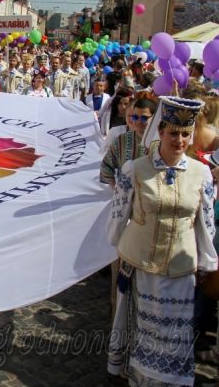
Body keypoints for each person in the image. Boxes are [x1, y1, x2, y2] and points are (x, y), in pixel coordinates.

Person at [107, 96, 217, 386]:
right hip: (141, 265)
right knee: (143, 329)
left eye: (185, 134)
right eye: (173, 133)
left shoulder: (201, 173)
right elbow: (119, 213)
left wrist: (207, 261)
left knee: (173, 336)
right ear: (161, 132)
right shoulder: (135, 169)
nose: (179, 140)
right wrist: (116, 242)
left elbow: (205, 222)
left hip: (181, 267)